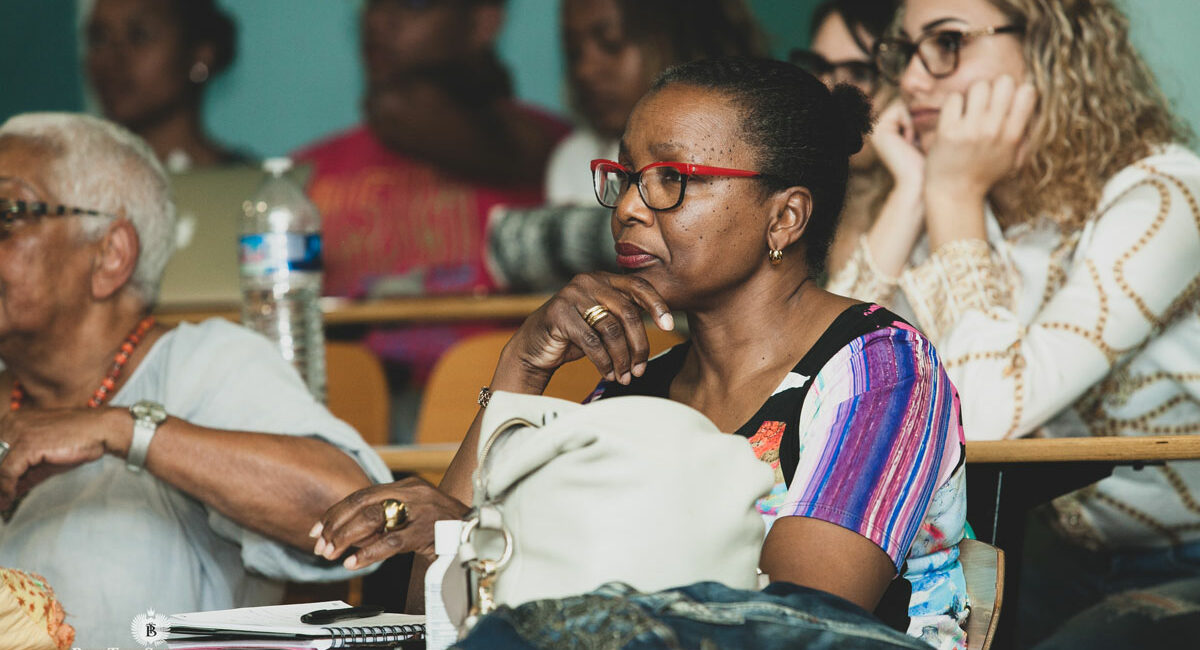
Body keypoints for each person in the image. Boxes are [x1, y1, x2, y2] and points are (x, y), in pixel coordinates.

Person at [314, 58, 973, 649]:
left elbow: (793, 625)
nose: (628, 207)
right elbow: (440, 614)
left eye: (671, 179)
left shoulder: (879, 371)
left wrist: (469, 538)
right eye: (627, 176)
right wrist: (522, 367)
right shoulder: (631, 389)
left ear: (785, 219)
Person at [824, 0, 1200, 646]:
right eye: (905, 52)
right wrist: (914, 191)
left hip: (1182, 566)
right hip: (1042, 560)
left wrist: (951, 197)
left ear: (1051, 48)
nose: (912, 80)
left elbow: (990, 424)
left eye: (946, 43)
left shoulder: (1164, 196)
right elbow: (825, 385)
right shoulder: (959, 205)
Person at [0, 113, 393, 647]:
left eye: (9, 213)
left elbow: (357, 511)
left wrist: (125, 431)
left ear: (110, 255)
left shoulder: (201, 363)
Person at [295, 0, 569, 442]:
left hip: (491, 425)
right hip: (344, 433)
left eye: (414, 6)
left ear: (483, 20)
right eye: (373, 7)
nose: (381, 21)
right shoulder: (306, 173)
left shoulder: (546, 154)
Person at [488, 0, 768, 292]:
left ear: (685, 38)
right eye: (573, 52)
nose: (585, 70)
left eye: (611, 44)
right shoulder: (576, 158)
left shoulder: (747, 149)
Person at [790, 0, 900, 273]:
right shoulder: (801, 202)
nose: (827, 91)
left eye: (859, 73)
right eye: (818, 66)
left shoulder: (930, 209)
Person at [85, 0, 247, 171]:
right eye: (99, 38)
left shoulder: (252, 187)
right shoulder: (72, 185)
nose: (111, 58)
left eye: (139, 35)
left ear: (200, 56)